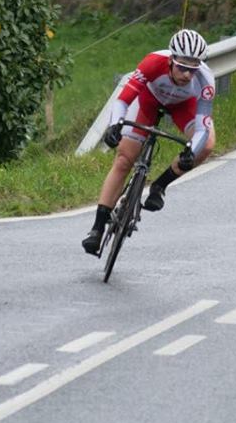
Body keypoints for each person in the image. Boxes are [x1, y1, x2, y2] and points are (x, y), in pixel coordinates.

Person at [82, 29, 216, 255]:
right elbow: (123, 100)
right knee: (125, 160)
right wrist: (115, 125)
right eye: (182, 67)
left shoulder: (204, 80)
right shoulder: (153, 63)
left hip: (184, 106)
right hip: (148, 101)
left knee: (208, 144)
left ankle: (159, 186)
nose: (187, 75)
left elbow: (203, 126)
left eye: (192, 69)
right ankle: (97, 228)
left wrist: (191, 151)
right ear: (171, 60)